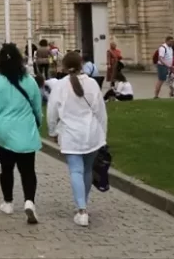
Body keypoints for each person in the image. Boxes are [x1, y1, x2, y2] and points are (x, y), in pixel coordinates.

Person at [0, 43, 42, 225]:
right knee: (28, 169)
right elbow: (37, 107)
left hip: (4, 131)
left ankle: (8, 202)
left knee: (6, 169)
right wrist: (37, 124)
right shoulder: (30, 81)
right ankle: (29, 201)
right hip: (25, 129)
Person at [48, 51, 108, 227]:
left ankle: (81, 208)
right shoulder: (92, 84)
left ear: (64, 67)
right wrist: (103, 133)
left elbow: (52, 112)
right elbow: (100, 112)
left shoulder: (59, 86)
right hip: (91, 133)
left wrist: (52, 131)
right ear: (82, 65)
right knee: (87, 170)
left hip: (71, 134)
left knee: (76, 170)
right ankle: (82, 204)